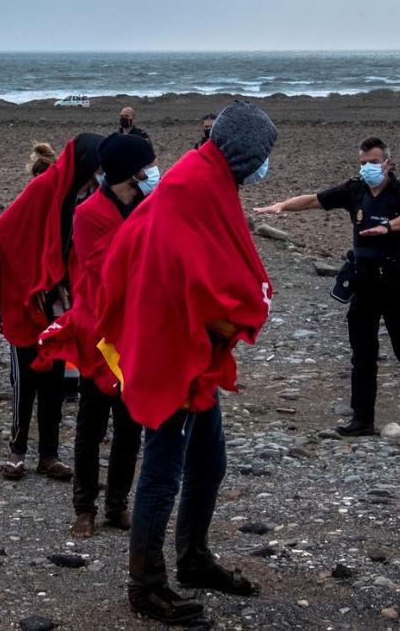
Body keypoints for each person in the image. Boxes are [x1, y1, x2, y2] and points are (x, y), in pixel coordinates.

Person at [97, 101, 276, 625]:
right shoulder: (192, 188)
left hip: (189, 350)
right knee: (162, 471)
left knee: (207, 462)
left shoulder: (205, 180)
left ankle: (193, 559)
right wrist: (225, 314)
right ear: (243, 152)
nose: (265, 167)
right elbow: (181, 269)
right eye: (263, 156)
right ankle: (146, 586)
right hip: (172, 351)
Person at [254, 136, 400, 437]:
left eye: (372, 162)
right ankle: (362, 420)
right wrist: (282, 206)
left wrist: (387, 227)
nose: (367, 168)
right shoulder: (354, 190)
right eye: (362, 163)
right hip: (364, 282)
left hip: (396, 284)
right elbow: (315, 200)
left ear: (387, 163)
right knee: (363, 353)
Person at [35, 134, 156, 538]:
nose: (154, 171)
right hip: (100, 331)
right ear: (132, 171)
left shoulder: (147, 205)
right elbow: (109, 273)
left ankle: (117, 503)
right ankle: (84, 506)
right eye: (148, 165)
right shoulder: (90, 214)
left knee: (129, 424)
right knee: (92, 422)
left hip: (137, 332)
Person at [0, 133, 103, 482]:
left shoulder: (84, 192)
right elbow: (5, 233)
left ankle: (48, 454)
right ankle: (17, 451)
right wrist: (34, 280)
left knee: (54, 376)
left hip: (58, 298)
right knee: (25, 377)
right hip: (26, 298)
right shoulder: (45, 188)